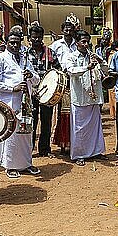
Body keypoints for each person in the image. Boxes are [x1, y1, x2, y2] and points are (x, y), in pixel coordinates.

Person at [0, 28, 40, 178]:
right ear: (6, 43)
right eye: (12, 43)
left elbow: (37, 80)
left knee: (26, 133)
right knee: (11, 135)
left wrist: (31, 76)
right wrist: (13, 88)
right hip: (9, 103)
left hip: (26, 103)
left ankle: (26, 163)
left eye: (17, 43)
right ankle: (9, 165)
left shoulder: (25, 59)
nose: (15, 46)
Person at [65, 30, 107, 166]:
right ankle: (79, 154)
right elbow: (71, 71)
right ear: (76, 43)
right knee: (79, 128)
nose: (86, 44)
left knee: (95, 126)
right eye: (83, 41)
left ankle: (96, 151)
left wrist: (101, 61)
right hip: (80, 97)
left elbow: (106, 71)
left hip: (94, 97)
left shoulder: (94, 56)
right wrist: (86, 67)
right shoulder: (71, 57)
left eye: (87, 41)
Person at [26, 23, 58, 157]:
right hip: (31, 92)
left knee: (46, 120)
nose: (36, 40)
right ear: (29, 38)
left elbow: (57, 69)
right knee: (31, 120)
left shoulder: (50, 52)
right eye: (34, 37)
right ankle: (29, 149)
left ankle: (44, 149)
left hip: (46, 92)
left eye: (39, 37)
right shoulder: (24, 53)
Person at [50, 17, 78, 154]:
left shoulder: (77, 44)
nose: (68, 30)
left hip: (76, 81)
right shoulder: (55, 45)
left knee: (76, 112)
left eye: (70, 28)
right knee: (63, 113)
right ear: (62, 31)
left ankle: (75, 142)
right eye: (65, 28)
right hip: (62, 82)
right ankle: (63, 143)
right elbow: (50, 61)